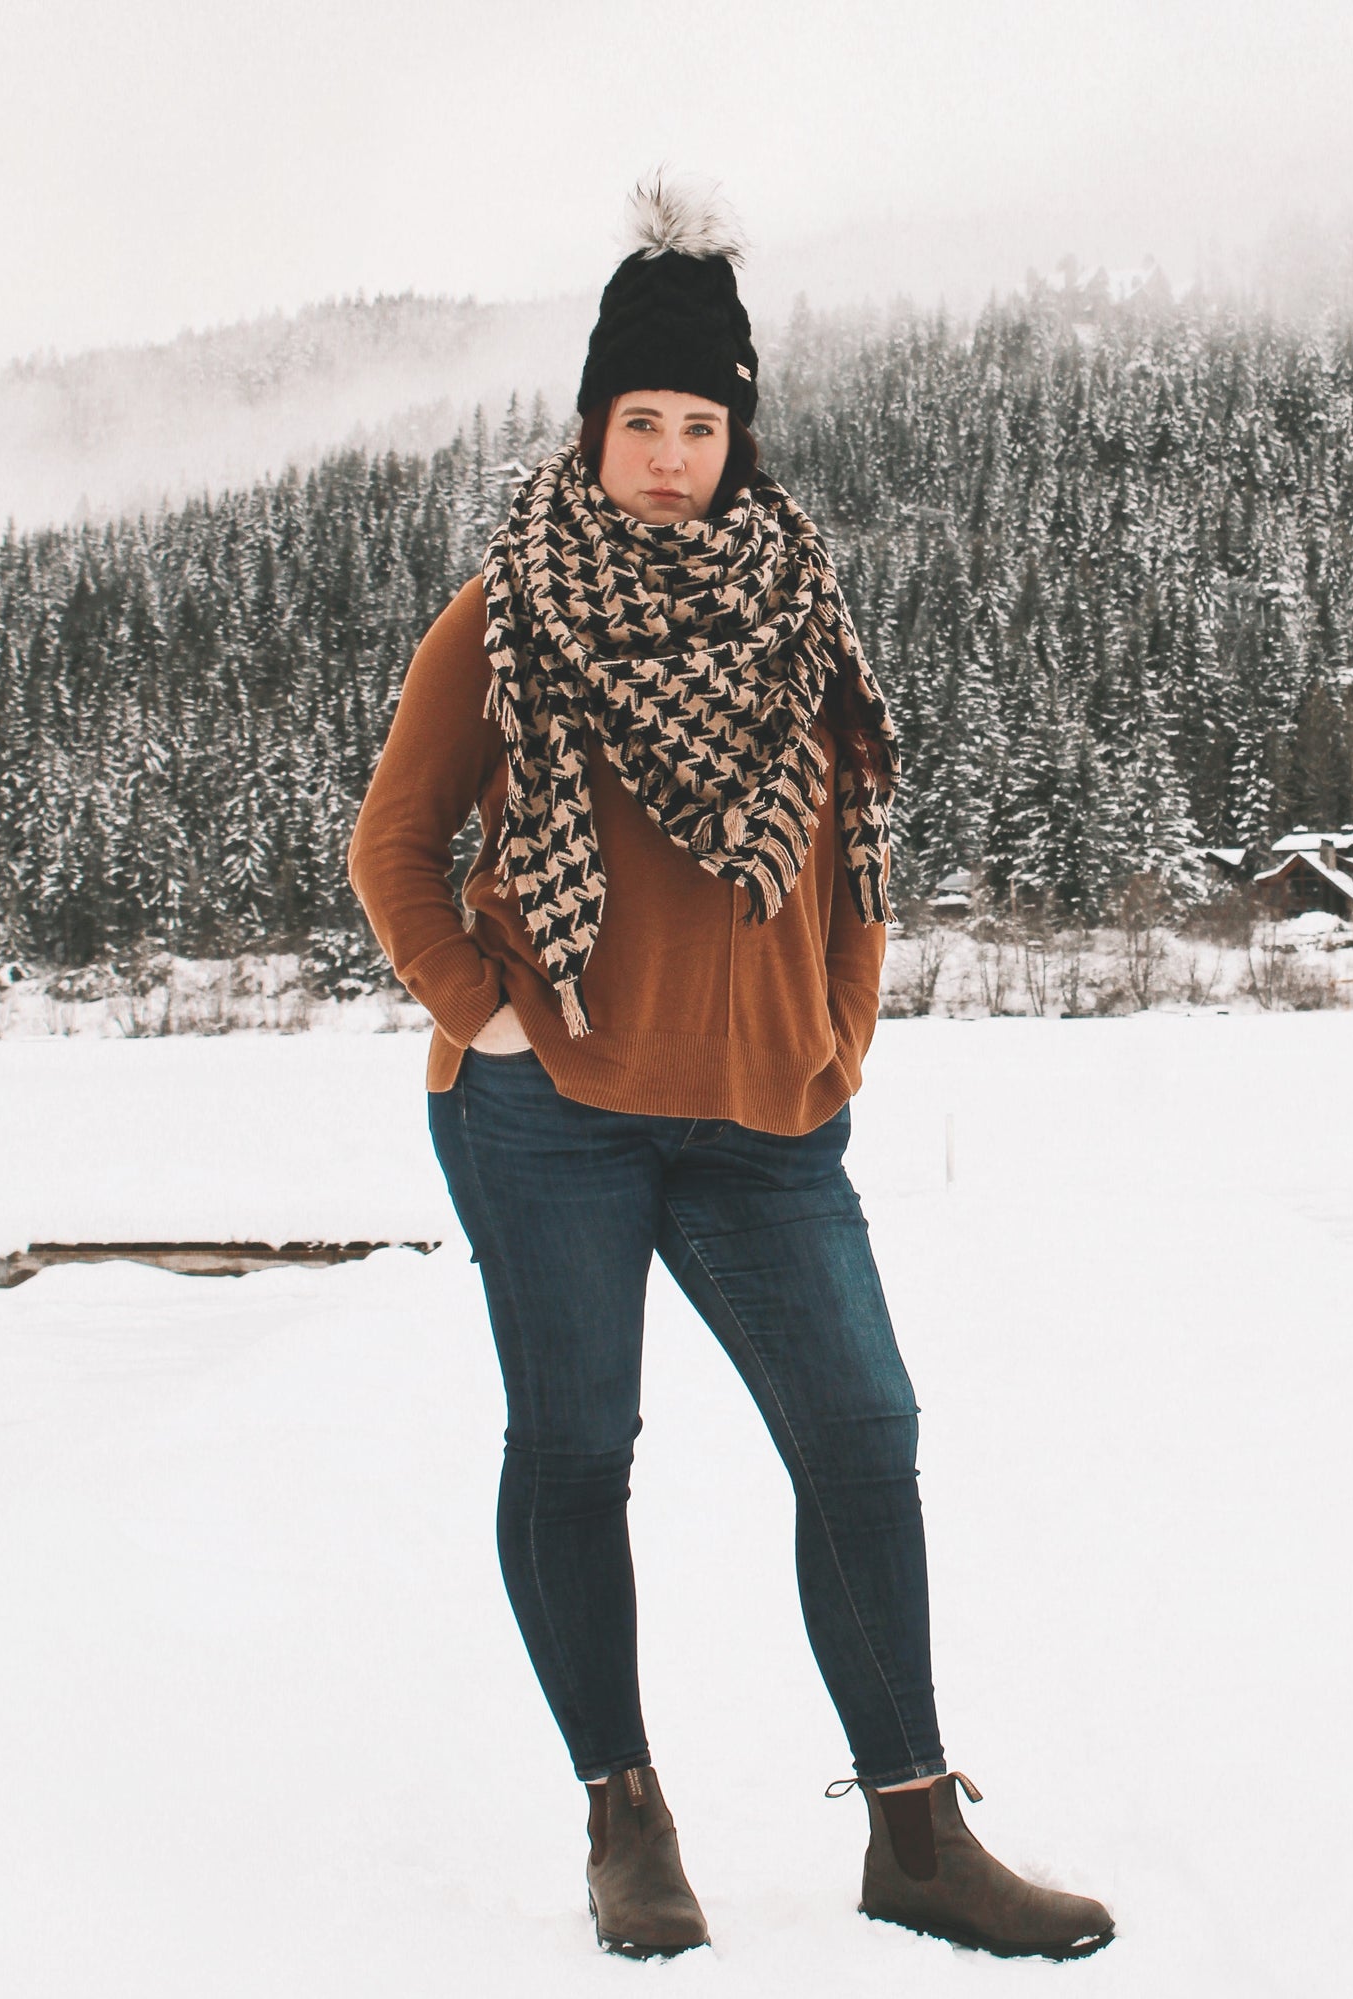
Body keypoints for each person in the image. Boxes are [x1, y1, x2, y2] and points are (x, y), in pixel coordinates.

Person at [347, 174, 1113, 1964]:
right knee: (581, 1445)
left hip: (771, 1120)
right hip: (550, 1119)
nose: (674, 456)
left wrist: (844, 1027)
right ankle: (626, 1814)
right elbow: (397, 843)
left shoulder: (803, 611)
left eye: (703, 423)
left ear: (739, 433)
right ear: (594, 427)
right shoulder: (511, 610)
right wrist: (493, 1011)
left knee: (861, 1434)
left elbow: (852, 844)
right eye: (644, 423)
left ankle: (915, 1834)